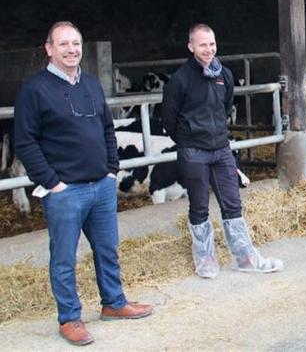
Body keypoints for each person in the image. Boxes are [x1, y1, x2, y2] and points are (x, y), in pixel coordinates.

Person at [13, 21, 153, 346]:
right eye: (64, 44)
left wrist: (111, 170)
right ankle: (69, 318)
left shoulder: (90, 83)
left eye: (76, 43)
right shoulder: (34, 90)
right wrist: (51, 182)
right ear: (49, 49)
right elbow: (25, 142)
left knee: (108, 249)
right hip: (65, 191)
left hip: (101, 186)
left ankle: (114, 303)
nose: (72, 49)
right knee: (64, 258)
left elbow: (107, 128)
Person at [161, 24, 284, 278]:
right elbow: (168, 117)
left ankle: (245, 257)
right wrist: (187, 140)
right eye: (203, 44)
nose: (208, 49)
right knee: (199, 205)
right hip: (194, 151)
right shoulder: (181, 79)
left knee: (233, 203)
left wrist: (217, 136)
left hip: (221, 148)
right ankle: (205, 258)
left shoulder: (224, 75)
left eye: (212, 44)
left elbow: (226, 105)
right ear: (191, 46)